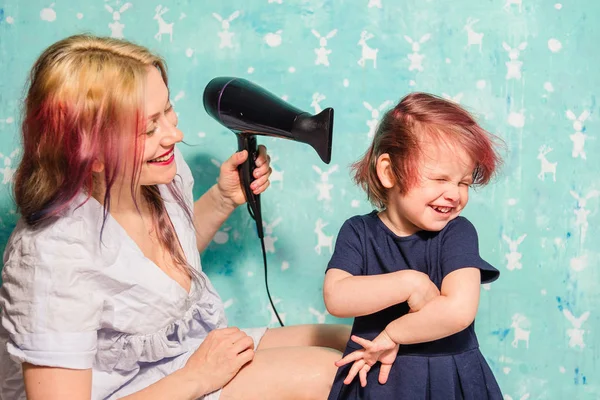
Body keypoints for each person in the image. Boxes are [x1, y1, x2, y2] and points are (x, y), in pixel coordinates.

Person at [0, 34, 350, 400]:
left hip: (181, 357)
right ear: (88, 151)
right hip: (139, 388)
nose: (175, 135)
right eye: (149, 128)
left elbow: (158, 273)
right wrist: (197, 378)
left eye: (167, 110)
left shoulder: (157, 173)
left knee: (348, 343)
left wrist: (223, 198)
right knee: (325, 375)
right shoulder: (51, 257)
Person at [323, 93, 504, 399]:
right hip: (378, 379)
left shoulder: (457, 233)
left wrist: (394, 333)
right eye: (439, 178)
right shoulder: (359, 231)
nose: (454, 194)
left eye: (463, 182)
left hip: (451, 380)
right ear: (389, 171)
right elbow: (337, 297)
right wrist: (410, 283)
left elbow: (459, 310)